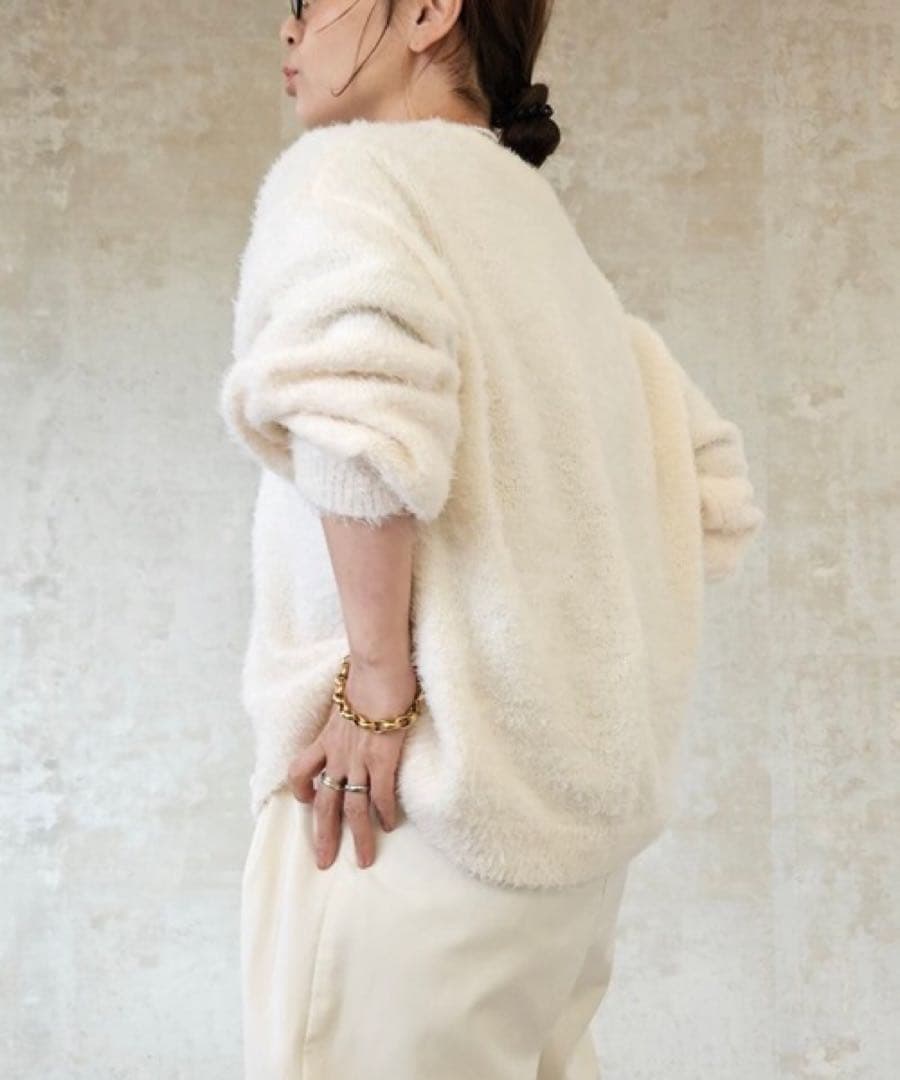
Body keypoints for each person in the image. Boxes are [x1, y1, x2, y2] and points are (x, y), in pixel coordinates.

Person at [218, 1, 765, 1077]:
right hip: (563, 862)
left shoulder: (353, 178)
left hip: (404, 809)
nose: (288, 31)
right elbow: (707, 492)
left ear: (429, 11)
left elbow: (354, 413)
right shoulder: (544, 238)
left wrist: (379, 685)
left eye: (311, 2)